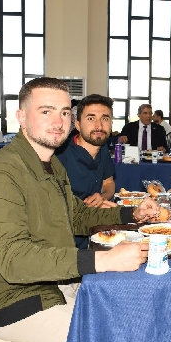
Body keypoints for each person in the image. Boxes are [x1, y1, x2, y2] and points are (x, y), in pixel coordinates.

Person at [0, 77, 158, 342]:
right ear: (21, 116)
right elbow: (15, 261)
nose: (58, 121)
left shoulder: (50, 164)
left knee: (128, 307)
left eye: (65, 112)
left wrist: (130, 214)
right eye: (46, 111)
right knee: (118, 337)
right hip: (15, 302)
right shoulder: (4, 174)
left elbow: (78, 216)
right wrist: (103, 261)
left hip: (52, 283)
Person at [56, 94, 117, 248]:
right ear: (77, 124)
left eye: (105, 118)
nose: (99, 125)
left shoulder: (102, 148)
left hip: (95, 234)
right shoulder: (60, 156)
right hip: (66, 242)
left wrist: (102, 197)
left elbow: (108, 183)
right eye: (91, 118)